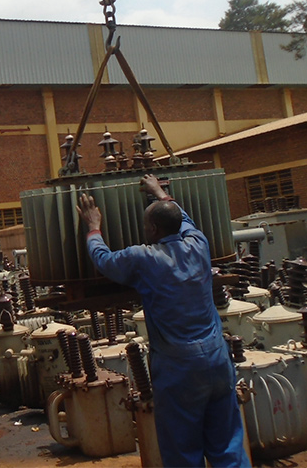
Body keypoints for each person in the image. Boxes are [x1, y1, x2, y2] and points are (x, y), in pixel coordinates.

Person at [76, 174, 250, 468]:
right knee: (227, 446)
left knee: (183, 451)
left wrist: (93, 228)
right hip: (218, 361)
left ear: (153, 229)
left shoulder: (143, 259)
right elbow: (182, 218)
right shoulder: (198, 243)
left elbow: (104, 260)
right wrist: (160, 193)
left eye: (146, 224)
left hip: (179, 370)